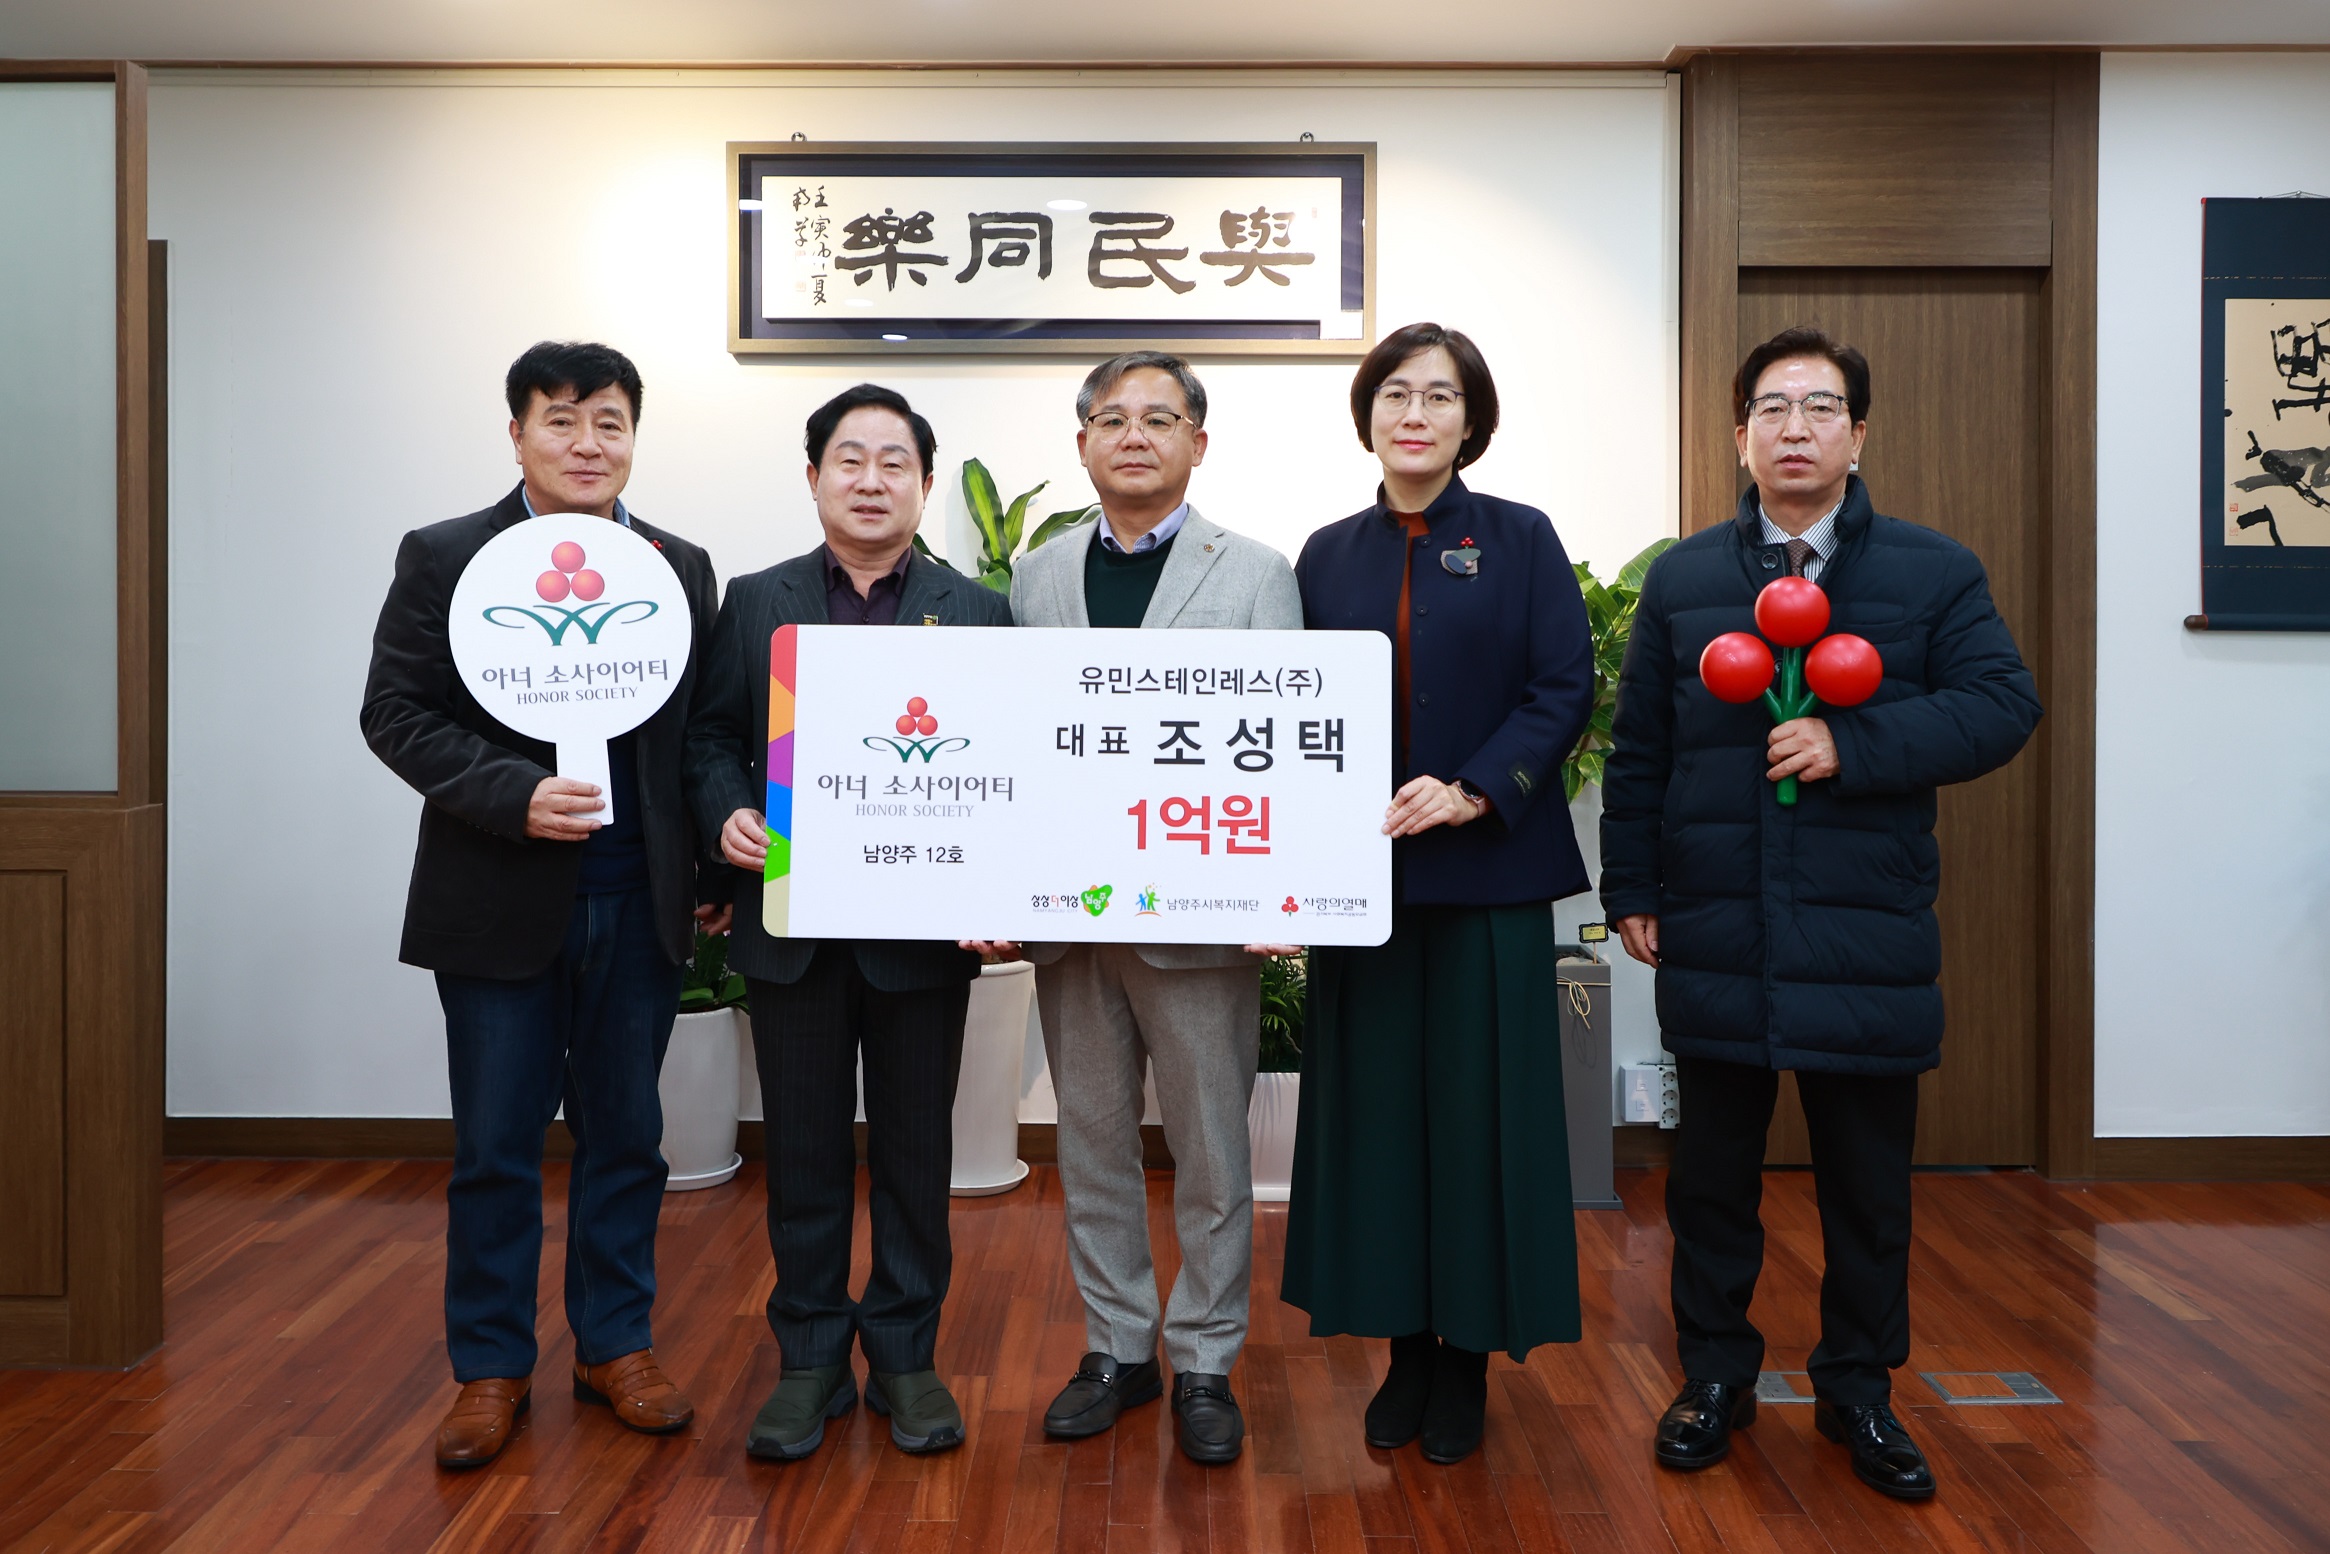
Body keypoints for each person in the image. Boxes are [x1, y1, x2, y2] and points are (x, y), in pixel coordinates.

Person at [1600, 327, 2041, 1500]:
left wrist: (1856, 741)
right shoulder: (1685, 579)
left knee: (1865, 1186)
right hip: (1717, 922)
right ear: (1737, 435)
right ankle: (1712, 1377)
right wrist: (1629, 887)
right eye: (1771, 408)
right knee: (1709, 1181)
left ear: (1857, 432)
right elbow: (1639, 749)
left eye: (1819, 407)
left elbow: (2002, 706)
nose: (1794, 428)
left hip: (1863, 931)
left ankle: (1858, 1389)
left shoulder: (1931, 571)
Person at [360, 340, 723, 1470]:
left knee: (628, 1138)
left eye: (609, 421)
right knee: (495, 1146)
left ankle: (615, 1346)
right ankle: (489, 1367)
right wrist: (511, 793)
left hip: (638, 901)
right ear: (516, 432)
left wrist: (712, 875)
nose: (587, 443)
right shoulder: (446, 555)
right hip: (497, 900)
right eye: (560, 420)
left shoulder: (676, 564)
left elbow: (696, 738)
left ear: (633, 437)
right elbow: (395, 714)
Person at [1281, 322, 1595, 1465]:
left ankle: (1465, 1356)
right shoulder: (1324, 555)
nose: (1413, 414)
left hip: (1488, 876)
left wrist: (1472, 788)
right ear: (1367, 415)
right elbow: (1288, 714)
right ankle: (1404, 1346)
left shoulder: (1519, 537)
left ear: (1471, 421)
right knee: (1375, 1120)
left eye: (1439, 396)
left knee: (1478, 1119)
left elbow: (1563, 684)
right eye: (1394, 394)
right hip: (1359, 884)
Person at [684, 384, 1011, 1462]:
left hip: (923, 938)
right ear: (814, 475)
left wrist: (1003, 888)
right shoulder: (756, 600)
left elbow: (1008, 760)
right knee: (805, 1156)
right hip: (793, 932)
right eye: (850, 460)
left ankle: (906, 1357)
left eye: (894, 462)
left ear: (924, 481)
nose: (872, 482)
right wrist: (727, 810)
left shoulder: (977, 611)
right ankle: (811, 1358)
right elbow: (711, 737)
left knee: (917, 1157)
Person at [998, 351, 1302, 1465]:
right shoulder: (1034, 578)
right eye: (1113, 419)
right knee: (1089, 1148)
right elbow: (1009, 746)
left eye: (1160, 419)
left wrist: (1281, 887)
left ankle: (1206, 1360)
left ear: (1197, 444)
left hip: (1201, 925)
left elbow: (1285, 743)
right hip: (1071, 922)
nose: (1135, 435)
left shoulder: (1257, 573)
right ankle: (1118, 1350)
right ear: (1082, 442)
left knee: (1212, 1155)